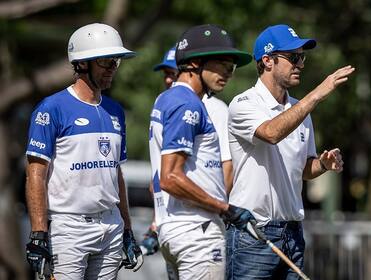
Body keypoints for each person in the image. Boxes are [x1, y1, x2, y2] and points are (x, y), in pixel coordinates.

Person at [226, 24, 355, 279]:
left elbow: (304, 169)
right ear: (267, 60)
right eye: (293, 58)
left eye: (302, 58)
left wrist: (323, 164)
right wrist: (317, 94)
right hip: (254, 233)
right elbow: (272, 133)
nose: (301, 65)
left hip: (293, 233)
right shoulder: (243, 103)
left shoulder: (300, 110)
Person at [25, 23, 143, 279]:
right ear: (81, 64)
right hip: (68, 228)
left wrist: (127, 229)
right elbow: (36, 174)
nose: (113, 67)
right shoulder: (51, 108)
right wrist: (38, 233)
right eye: (106, 61)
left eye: (116, 61)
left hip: (110, 226)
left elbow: (116, 174)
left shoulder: (115, 111)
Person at [148, 24, 254, 279]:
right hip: (197, 231)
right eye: (221, 64)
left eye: (232, 67)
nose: (228, 73)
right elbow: (170, 177)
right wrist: (222, 207)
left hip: (176, 230)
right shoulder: (187, 104)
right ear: (194, 63)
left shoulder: (166, 98)